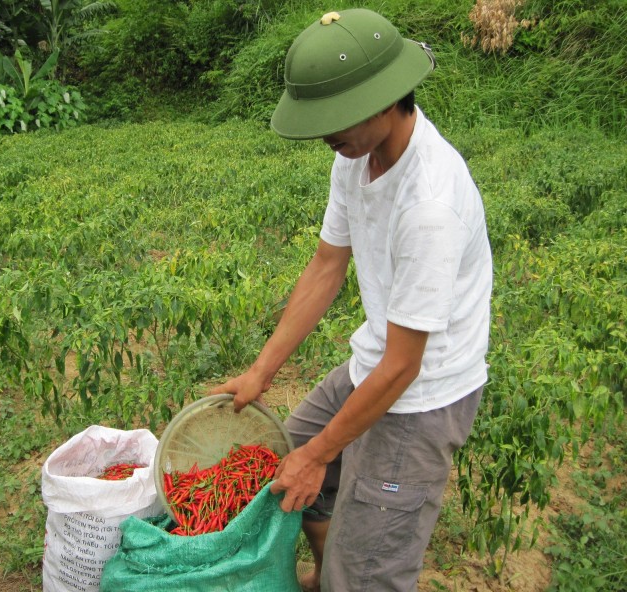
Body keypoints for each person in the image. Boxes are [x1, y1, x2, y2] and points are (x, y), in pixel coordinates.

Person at [210, 8, 493, 592]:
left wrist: (318, 455)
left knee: (366, 569)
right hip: (377, 361)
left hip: (421, 395)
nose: (325, 135)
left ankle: (352, 574)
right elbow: (326, 265)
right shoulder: (357, 154)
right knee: (286, 459)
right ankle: (328, 570)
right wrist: (260, 372)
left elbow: (404, 367)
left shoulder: (429, 206)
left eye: (335, 119)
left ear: (388, 99)